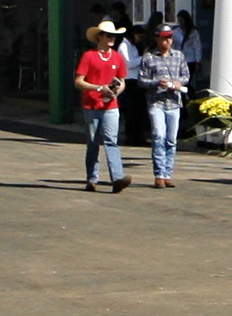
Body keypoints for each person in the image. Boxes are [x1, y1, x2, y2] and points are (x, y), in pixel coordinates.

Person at [76, 20, 129, 194]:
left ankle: (117, 178)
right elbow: (78, 81)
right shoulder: (89, 56)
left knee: (111, 141)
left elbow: (122, 82)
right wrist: (99, 88)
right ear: (100, 36)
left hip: (111, 105)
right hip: (91, 105)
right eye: (109, 35)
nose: (112, 38)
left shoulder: (117, 57)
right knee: (93, 143)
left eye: (114, 36)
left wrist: (116, 92)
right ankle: (92, 178)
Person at [135, 23, 189, 188]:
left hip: (174, 102)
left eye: (170, 37)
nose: (168, 40)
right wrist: (157, 83)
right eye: (165, 37)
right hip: (156, 102)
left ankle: (167, 173)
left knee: (171, 139)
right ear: (157, 38)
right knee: (159, 135)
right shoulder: (149, 58)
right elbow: (141, 81)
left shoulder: (179, 56)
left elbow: (186, 75)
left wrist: (178, 83)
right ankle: (159, 174)